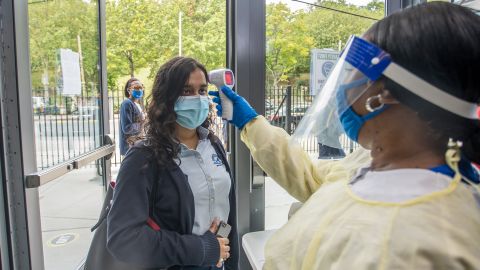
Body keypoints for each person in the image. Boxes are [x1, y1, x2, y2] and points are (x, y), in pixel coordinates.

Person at [210, 2, 480, 269]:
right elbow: (312, 176)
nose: (342, 87)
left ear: (383, 94)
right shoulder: (375, 162)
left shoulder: (414, 246)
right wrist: (250, 122)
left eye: (350, 73)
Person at [107, 56, 238, 270]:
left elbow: (225, 213)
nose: (197, 98)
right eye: (186, 91)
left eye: (202, 90)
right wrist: (202, 249)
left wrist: (224, 255)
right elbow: (123, 239)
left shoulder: (213, 144)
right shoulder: (143, 157)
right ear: (167, 97)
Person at [119, 78, 146, 156]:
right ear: (129, 90)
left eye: (140, 87)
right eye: (136, 87)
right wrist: (142, 123)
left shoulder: (137, 104)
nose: (139, 90)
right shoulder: (127, 103)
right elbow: (127, 128)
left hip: (137, 145)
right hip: (130, 147)